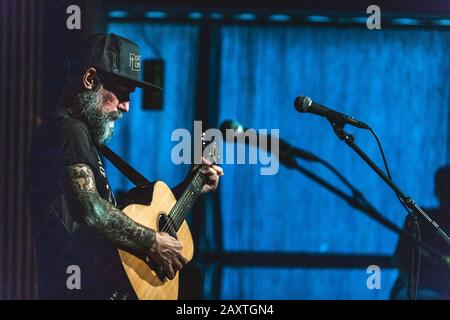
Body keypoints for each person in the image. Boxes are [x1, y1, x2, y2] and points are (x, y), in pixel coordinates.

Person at [28, 33, 224, 299]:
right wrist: (153, 242)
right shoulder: (68, 130)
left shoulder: (82, 137)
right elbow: (90, 211)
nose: (127, 106)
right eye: (121, 93)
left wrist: (191, 187)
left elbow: (114, 223)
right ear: (89, 80)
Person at [390, 166, 450, 300]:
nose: (447, 191)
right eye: (443, 185)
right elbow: (400, 258)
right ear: (436, 190)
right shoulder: (419, 218)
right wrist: (413, 285)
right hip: (415, 291)